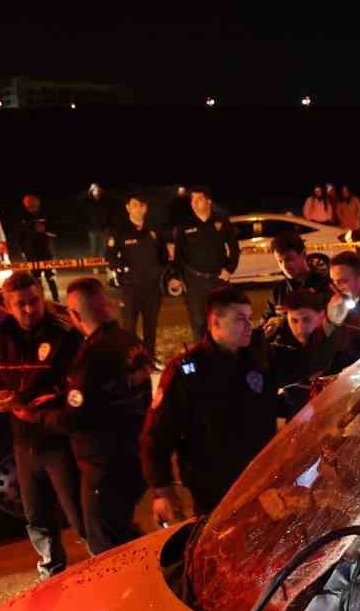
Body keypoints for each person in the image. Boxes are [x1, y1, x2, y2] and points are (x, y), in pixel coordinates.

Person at [142, 286, 285, 524]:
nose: (249, 326)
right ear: (215, 323)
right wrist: (161, 490)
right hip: (216, 491)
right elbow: (157, 434)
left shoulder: (256, 357)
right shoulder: (187, 371)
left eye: (249, 318)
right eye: (240, 319)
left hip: (263, 479)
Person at [30, 278, 152, 554]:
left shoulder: (93, 355)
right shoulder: (129, 340)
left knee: (105, 545)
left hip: (104, 464)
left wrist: (36, 416)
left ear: (73, 315)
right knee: (122, 531)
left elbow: (74, 417)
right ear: (107, 304)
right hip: (133, 453)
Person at [0, 271, 83, 578]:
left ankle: (107, 561)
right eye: (21, 304)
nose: (29, 309)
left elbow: (68, 384)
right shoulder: (2, 335)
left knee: (78, 512)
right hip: (23, 439)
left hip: (57, 437)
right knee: (36, 514)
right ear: (7, 305)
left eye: (34, 301)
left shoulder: (63, 334)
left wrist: (21, 400)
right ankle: (51, 571)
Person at [169, 186, 240, 341]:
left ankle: (224, 355)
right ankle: (202, 357)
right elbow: (178, 256)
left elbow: (234, 248)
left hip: (218, 280)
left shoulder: (221, 220)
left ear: (208, 201)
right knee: (199, 323)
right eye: (192, 200)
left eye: (198, 199)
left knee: (223, 320)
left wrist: (229, 269)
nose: (194, 203)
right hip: (195, 282)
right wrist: (175, 277)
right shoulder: (184, 225)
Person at [106, 193, 167, 357]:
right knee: (129, 327)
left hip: (153, 288)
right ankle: (131, 361)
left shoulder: (154, 229)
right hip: (131, 287)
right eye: (134, 205)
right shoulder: (120, 230)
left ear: (145, 208)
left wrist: (161, 272)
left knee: (151, 326)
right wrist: (122, 268)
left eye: (141, 205)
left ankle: (149, 359)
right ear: (127, 208)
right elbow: (110, 255)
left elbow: (164, 256)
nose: (138, 208)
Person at [262, 229, 332, 324]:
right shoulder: (278, 291)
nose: (284, 266)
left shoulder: (324, 284)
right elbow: (265, 321)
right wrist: (269, 324)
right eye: (280, 261)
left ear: (303, 254)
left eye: (289, 259)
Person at [14, 194, 60, 300]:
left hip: (46, 252)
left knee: (51, 277)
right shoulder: (22, 217)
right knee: (36, 280)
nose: (30, 208)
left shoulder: (47, 214)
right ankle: (40, 300)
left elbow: (56, 232)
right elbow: (19, 236)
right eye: (27, 206)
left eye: (32, 205)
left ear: (38, 203)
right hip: (31, 254)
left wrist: (45, 230)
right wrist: (22, 251)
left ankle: (56, 300)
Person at [79, 184, 113, 258]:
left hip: (104, 229)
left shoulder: (105, 200)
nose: (96, 191)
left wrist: (108, 226)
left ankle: (106, 265)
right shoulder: (88, 201)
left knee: (105, 249)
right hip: (93, 229)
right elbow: (81, 200)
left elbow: (109, 213)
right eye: (94, 189)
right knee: (94, 249)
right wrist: (89, 191)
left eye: (97, 189)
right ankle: (94, 266)